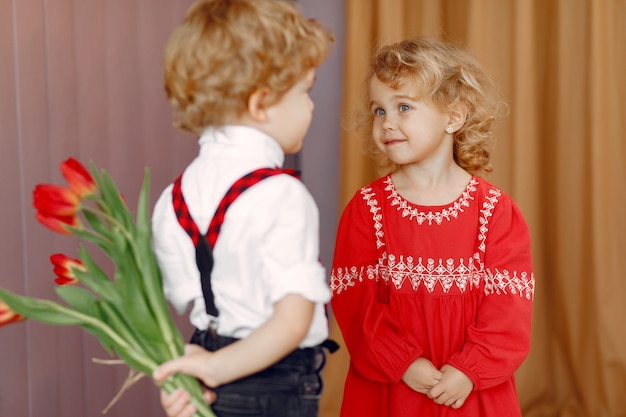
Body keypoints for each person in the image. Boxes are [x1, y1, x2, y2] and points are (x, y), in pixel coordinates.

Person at [330, 37, 535, 417]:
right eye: (378, 111)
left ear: (453, 117)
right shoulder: (366, 209)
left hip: (469, 391)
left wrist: (468, 370)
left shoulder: (495, 211)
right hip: (392, 389)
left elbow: (509, 309)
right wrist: (403, 362)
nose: (387, 122)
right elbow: (356, 305)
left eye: (403, 107)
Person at [150, 1, 335, 416]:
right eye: (305, 91)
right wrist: (216, 368)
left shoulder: (172, 199)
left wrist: (196, 371)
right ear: (261, 103)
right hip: (272, 385)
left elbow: (188, 304)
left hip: (207, 377)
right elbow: (293, 322)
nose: (310, 106)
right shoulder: (281, 194)